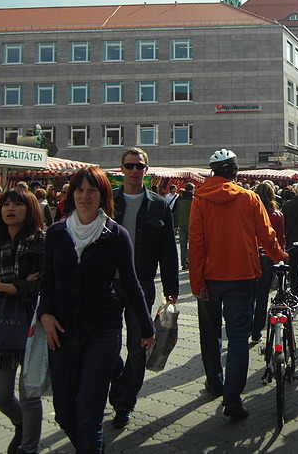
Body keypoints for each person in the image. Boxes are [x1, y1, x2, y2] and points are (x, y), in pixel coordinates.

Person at [38, 166, 154, 453]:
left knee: (89, 413)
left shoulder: (116, 235)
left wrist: (146, 325)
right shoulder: (56, 233)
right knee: (65, 411)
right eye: (79, 189)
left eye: (92, 190)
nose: (84, 196)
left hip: (103, 331)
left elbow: (130, 283)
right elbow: (47, 280)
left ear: (103, 196)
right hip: (62, 332)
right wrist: (45, 314)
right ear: (71, 194)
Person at [189, 149, 287, 419]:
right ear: (234, 170)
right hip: (242, 276)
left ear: (212, 171)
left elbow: (195, 243)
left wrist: (196, 281)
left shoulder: (200, 199)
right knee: (238, 337)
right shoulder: (249, 198)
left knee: (210, 335)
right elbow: (266, 235)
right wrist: (280, 255)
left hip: (209, 277)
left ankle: (214, 381)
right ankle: (232, 398)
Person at [110, 148, 178, 429]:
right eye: (129, 166)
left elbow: (168, 252)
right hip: (108, 286)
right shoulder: (108, 202)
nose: (134, 171)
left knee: (138, 346)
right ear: (121, 169)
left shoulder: (159, 205)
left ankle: (124, 403)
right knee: (107, 345)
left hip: (142, 285)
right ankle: (119, 385)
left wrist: (171, 290)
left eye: (139, 166)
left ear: (146, 170)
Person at [0, 189, 45, 454]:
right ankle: (20, 424)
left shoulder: (43, 243)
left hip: (33, 327)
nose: (10, 209)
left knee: (30, 396)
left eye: (17, 204)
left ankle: (29, 447)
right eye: (6, 204)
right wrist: (19, 286)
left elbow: (44, 285)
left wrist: (6, 287)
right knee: (1, 396)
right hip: (1, 326)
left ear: (29, 209)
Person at [249, 182, 286, 342]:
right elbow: (281, 238)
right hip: (269, 257)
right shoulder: (277, 214)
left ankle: (247, 327)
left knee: (249, 295)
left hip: (251, 256)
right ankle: (257, 331)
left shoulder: (250, 212)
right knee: (263, 296)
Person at [173, 183, 195, 271]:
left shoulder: (179, 199)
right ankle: (187, 257)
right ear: (192, 189)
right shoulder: (193, 199)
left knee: (182, 244)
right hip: (191, 224)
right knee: (192, 243)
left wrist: (176, 225)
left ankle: (183, 263)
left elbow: (176, 212)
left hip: (181, 224)